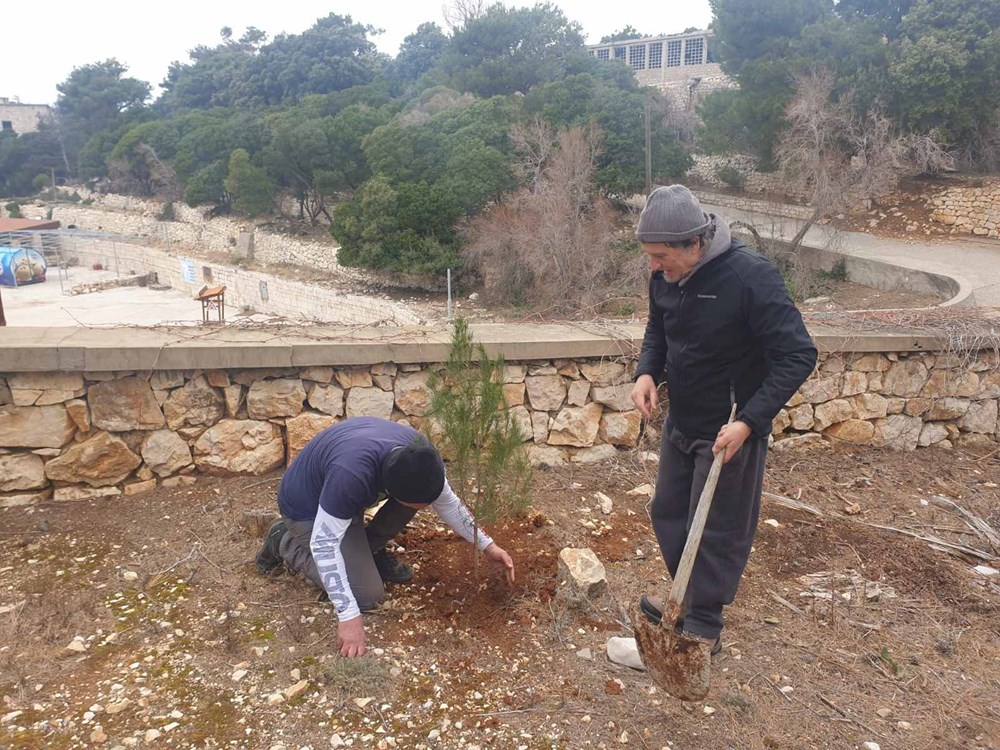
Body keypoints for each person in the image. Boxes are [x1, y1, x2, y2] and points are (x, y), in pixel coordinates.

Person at [630, 185, 817, 666]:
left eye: (660, 256)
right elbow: (658, 329)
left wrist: (751, 422)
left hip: (729, 428)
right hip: (682, 420)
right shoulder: (667, 277)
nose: (654, 266)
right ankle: (685, 600)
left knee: (714, 528)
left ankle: (704, 629)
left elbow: (797, 355)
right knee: (668, 512)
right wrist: (648, 371)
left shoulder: (750, 277)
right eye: (650, 256)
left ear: (694, 244)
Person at [255, 416, 516, 658]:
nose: (425, 510)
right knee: (366, 595)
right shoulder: (352, 475)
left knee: (411, 502)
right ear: (389, 488)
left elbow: (448, 504)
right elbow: (324, 544)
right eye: (420, 506)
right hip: (307, 509)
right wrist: (348, 615)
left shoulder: (420, 457)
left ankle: (369, 553)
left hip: (344, 500)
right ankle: (284, 541)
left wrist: (488, 546)